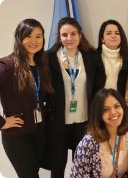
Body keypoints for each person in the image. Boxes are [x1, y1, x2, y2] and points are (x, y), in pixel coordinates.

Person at [43, 17, 105, 178]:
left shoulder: (91, 57)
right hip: (58, 123)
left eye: (73, 34)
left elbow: (99, 85)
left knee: (82, 165)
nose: (69, 39)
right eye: (64, 35)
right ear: (59, 37)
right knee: (58, 166)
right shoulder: (49, 58)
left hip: (84, 121)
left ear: (80, 35)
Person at [0, 19, 53, 178]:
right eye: (28, 36)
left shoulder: (41, 64)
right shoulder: (7, 65)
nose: (34, 41)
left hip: (38, 132)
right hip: (17, 137)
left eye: (39, 36)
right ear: (19, 37)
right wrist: (2, 122)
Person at [70, 88, 128, 177]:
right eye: (106, 109)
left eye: (116, 106)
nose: (113, 112)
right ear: (98, 114)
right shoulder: (88, 143)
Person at [97, 19, 128, 97]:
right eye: (108, 33)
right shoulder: (93, 57)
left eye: (117, 33)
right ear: (102, 39)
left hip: (121, 104)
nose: (113, 36)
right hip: (98, 103)